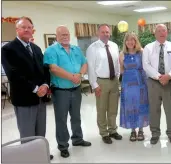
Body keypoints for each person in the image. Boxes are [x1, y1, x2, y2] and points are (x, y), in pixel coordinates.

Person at [1, 16, 53, 160]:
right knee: (28, 133)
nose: (27, 29)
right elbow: (13, 74)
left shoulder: (36, 48)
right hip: (24, 99)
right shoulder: (7, 49)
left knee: (40, 132)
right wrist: (36, 88)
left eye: (29, 27)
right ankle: (29, 159)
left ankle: (40, 155)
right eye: (23, 27)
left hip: (41, 98)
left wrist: (45, 85)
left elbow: (44, 69)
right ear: (17, 29)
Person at [44, 26, 91, 158]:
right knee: (61, 120)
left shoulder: (76, 49)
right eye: (62, 34)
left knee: (76, 116)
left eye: (67, 34)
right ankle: (63, 146)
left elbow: (85, 63)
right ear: (56, 36)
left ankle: (77, 139)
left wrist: (80, 75)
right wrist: (72, 77)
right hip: (60, 91)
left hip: (76, 89)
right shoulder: (51, 50)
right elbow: (53, 69)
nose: (65, 36)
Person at [142, 24, 171, 144]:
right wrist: (159, 77)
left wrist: (169, 76)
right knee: (154, 109)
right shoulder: (148, 48)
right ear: (155, 33)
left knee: (170, 109)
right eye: (158, 31)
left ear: (167, 32)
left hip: (169, 82)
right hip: (153, 82)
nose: (161, 33)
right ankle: (155, 133)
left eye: (163, 30)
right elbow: (146, 65)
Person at [86, 24, 122, 144]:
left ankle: (112, 130)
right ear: (98, 33)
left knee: (113, 108)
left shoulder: (114, 46)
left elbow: (116, 63)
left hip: (114, 81)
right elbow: (90, 68)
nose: (105, 34)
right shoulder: (92, 48)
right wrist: (94, 85)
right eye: (103, 32)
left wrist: (117, 77)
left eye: (107, 32)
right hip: (101, 81)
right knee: (102, 109)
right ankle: (104, 132)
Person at [119, 32, 149, 142]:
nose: (130, 42)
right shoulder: (122, 54)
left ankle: (140, 130)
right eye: (128, 40)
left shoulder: (141, 52)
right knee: (130, 106)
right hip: (127, 85)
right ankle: (133, 130)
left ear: (135, 41)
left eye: (132, 40)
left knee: (140, 105)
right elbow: (121, 70)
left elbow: (146, 67)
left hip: (140, 84)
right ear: (125, 42)